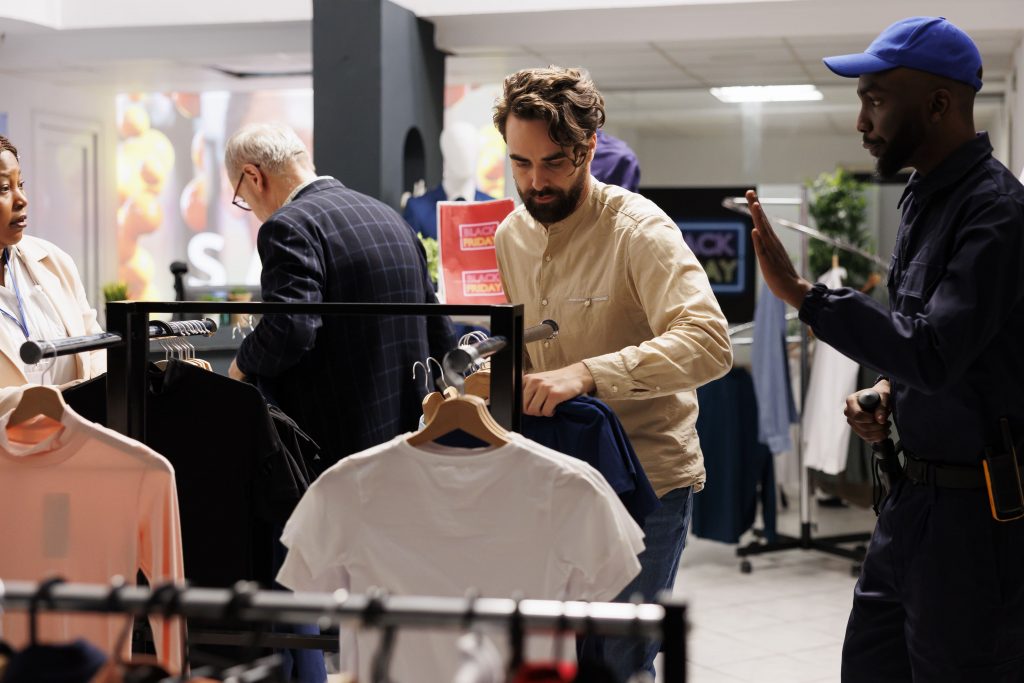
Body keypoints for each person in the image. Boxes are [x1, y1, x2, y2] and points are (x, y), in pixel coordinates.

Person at [747, 16, 1024, 680]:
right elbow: (936, 352)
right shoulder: (921, 201)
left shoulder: (998, 213)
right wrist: (886, 394)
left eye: (875, 99)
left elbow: (932, 348)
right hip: (907, 504)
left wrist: (804, 294)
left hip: (975, 519)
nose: (861, 121)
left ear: (938, 103)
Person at [492, 66, 733, 679]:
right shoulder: (510, 236)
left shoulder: (641, 232)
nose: (535, 182)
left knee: (619, 665)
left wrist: (590, 374)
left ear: (588, 148)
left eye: (553, 164)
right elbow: (523, 352)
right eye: (521, 163)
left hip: (646, 483)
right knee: (559, 658)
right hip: (552, 475)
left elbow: (709, 342)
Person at [225, 122, 455, 469]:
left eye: (242, 198)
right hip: (413, 438)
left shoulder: (288, 226)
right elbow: (437, 329)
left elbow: (290, 328)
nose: (251, 209)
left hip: (339, 450)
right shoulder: (390, 218)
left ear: (254, 176)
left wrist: (241, 365)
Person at [0, 135, 105, 387]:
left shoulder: (55, 261)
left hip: (78, 423)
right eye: (4, 188)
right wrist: (51, 403)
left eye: (20, 184)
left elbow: (96, 349)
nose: (21, 199)